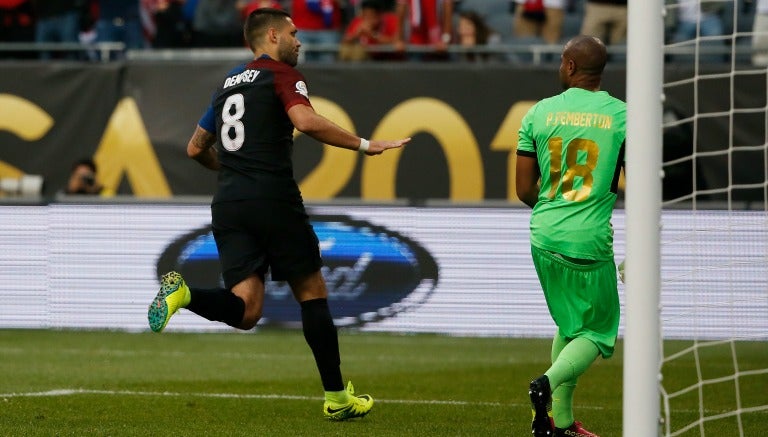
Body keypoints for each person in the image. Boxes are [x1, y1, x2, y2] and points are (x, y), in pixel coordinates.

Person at [147, 7, 410, 421]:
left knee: (247, 310)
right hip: (273, 198)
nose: (300, 40)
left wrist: (234, 172)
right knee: (312, 291)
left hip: (229, 205)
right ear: (272, 36)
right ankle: (337, 398)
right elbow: (304, 120)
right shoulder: (282, 75)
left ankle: (185, 295)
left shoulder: (226, 84)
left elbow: (195, 147)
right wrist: (364, 144)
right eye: (293, 33)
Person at [515, 35, 625, 437]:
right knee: (597, 331)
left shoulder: (538, 114)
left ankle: (557, 424)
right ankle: (544, 384)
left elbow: (524, 190)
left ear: (570, 67)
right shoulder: (623, 115)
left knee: (570, 324)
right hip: (589, 240)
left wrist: (555, 212)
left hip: (544, 235)